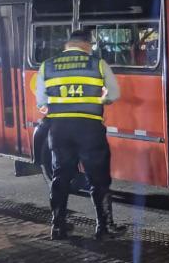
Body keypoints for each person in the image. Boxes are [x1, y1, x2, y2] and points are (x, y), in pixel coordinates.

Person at [35, 30, 121, 240]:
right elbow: (114, 94)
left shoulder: (47, 65)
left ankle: (58, 226)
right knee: (98, 179)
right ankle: (104, 228)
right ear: (84, 44)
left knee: (60, 176)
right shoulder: (98, 64)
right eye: (90, 45)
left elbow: (41, 102)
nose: (91, 48)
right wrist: (101, 101)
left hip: (59, 129)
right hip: (89, 129)